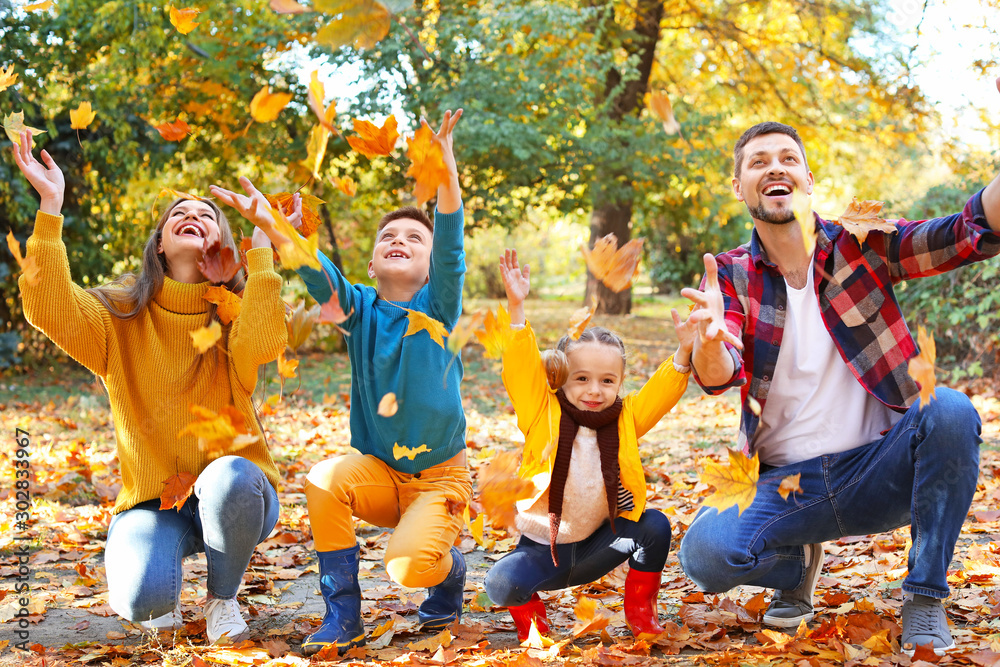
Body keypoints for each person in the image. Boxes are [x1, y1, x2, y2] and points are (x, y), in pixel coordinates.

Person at [676, 82, 1000, 657]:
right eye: (758, 162)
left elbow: (969, 231)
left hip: (879, 468)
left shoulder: (862, 244)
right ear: (738, 185)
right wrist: (705, 339)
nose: (775, 168)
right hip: (785, 483)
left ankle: (924, 597)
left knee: (948, 409)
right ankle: (793, 565)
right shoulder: (727, 275)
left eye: (788, 159)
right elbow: (719, 371)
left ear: (806, 178)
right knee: (703, 555)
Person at [13, 130, 290, 644]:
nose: (194, 215)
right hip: (151, 502)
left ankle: (222, 600)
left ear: (220, 245)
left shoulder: (235, 313)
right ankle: (152, 570)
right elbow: (47, 306)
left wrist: (262, 248)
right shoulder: (119, 314)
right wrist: (51, 208)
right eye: (179, 213)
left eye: (208, 215)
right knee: (144, 599)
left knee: (230, 476)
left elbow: (261, 345)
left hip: (235, 492)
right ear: (159, 243)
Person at [238, 110, 470, 655]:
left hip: (439, 481)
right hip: (381, 476)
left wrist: (446, 171)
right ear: (371, 261)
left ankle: (448, 571)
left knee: (409, 568)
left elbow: (454, 245)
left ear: (431, 262)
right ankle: (343, 616)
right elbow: (317, 272)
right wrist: (275, 227)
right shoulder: (357, 310)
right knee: (322, 479)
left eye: (415, 237)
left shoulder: (437, 308)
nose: (400, 239)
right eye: (389, 235)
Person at [483, 249, 735, 641]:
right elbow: (519, 369)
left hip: (601, 544)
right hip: (542, 552)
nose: (594, 391)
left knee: (654, 525)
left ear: (619, 383)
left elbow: (660, 394)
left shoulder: (624, 418)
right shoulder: (541, 411)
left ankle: (641, 613)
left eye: (607, 380)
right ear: (562, 377)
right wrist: (516, 310)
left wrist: (685, 351)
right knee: (501, 583)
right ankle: (534, 625)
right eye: (581, 378)